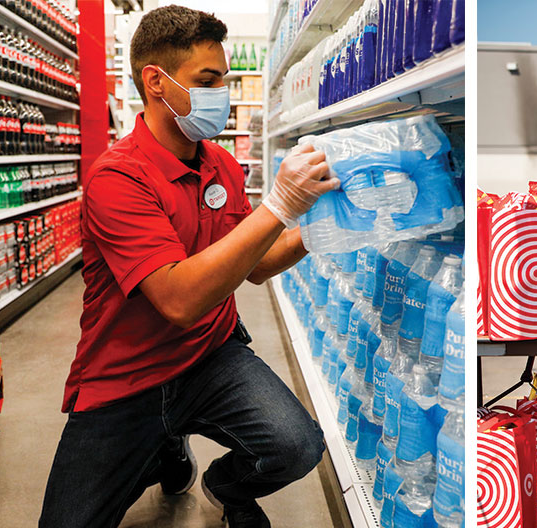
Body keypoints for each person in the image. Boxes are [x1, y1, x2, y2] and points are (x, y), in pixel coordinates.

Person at [40, 7, 338, 527]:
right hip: (125, 376)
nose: (222, 90)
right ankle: (165, 446)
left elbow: (258, 265)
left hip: (209, 355)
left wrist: (324, 226)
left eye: (223, 77)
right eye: (208, 79)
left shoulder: (218, 162)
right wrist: (279, 204)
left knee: (298, 446)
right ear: (156, 81)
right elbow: (178, 301)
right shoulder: (117, 179)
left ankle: (224, 489)